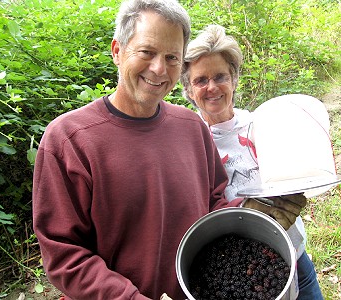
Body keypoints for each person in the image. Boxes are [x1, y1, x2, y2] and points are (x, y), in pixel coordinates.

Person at [32, 0, 306, 298]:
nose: (159, 68)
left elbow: (212, 206)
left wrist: (250, 214)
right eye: (146, 52)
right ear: (117, 51)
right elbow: (64, 254)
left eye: (172, 57)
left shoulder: (191, 127)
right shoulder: (69, 139)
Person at [180, 24, 323, 300]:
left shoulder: (261, 126)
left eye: (220, 76)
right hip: (235, 277)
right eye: (200, 80)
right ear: (188, 89)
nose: (212, 87)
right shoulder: (188, 142)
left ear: (233, 79)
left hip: (294, 256)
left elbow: (294, 175)